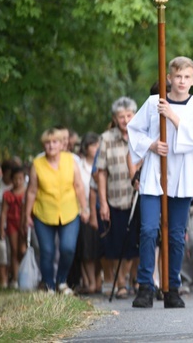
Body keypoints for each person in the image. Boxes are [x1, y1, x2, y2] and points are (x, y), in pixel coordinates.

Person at [128, 56, 193, 309]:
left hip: (182, 175)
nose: (182, 81)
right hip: (154, 174)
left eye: (187, 77)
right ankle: (145, 287)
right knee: (149, 230)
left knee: (175, 235)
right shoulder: (153, 102)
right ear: (169, 78)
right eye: (178, 77)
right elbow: (134, 129)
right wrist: (151, 144)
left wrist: (172, 115)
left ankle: (172, 287)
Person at [24, 127, 91, 293]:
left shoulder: (71, 161)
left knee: (68, 248)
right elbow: (32, 191)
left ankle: (61, 281)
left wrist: (85, 208)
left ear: (62, 144)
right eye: (47, 143)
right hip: (43, 212)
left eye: (54, 142)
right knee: (47, 251)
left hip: (69, 211)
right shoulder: (37, 164)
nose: (51, 146)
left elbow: (79, 186)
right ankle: (48, 285)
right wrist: (27, 215)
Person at [97, 97, 140, 299]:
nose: (125, 120)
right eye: (121, 116)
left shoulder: (141, 135)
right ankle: (121, 282)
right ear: (115, 118)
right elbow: (101, 172)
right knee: (116, 242)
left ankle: (134, 279)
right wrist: (103, 202)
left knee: (135, 242)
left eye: (129, 115)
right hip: (115, 197)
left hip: (137, 196)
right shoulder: (106, 138)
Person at [76, 132, 102, 294]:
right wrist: (83, 209)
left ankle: (98, 281)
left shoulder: (102, 163)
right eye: (93, 145)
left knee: (100, 248)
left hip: (102, 209)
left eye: (98, 144)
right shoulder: (78, 165)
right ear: (86, 148)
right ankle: (90, 282)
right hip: (83, 210)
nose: (96, 148)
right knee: (87, 249)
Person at [0, 165, 27, 289]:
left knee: (23, 250)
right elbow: (3, 213)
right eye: (15, 179)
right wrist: (1, 230)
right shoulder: (7, 194)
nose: (18, 182)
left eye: (20, 179)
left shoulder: (27, 193)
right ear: (12, 179)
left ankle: (24, 275)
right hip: (12, 224)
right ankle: (15, 279)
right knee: (14, 250)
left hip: (24, 223)